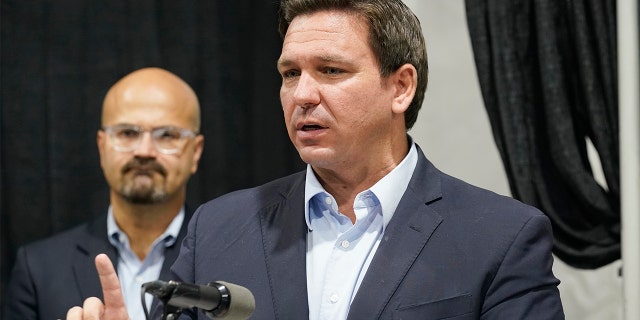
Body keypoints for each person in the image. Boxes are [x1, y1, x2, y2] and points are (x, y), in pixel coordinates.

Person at [65, 0, 565, 319]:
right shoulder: (218, 228)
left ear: (401, 86)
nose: (302, 94)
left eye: (329, 70)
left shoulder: (501, 238)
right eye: (289, 74)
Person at [3, 67, 204, 320]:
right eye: (128, 133)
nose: (144, 151)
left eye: (166, 135)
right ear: (102, 146)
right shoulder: (39, 268)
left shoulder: (227, 256)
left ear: (195, 152)